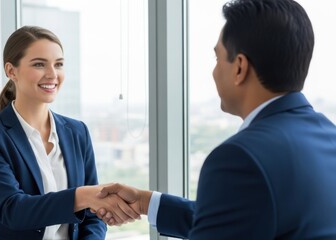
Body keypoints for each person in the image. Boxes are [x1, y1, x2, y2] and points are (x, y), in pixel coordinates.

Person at [95, 0, 336, 239]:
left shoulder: (240, 157)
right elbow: (244, 221)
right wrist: (146, 202)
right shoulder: (328, 136)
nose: (214, 72)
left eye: (217, 59)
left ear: (240, 67)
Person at [0, 26, 138, 240]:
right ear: (11, 71)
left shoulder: (77, 132)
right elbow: (13, 210)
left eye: (58, 64)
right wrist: (83, 196)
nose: (52, 74)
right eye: (39, 64)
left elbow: (93, 217)